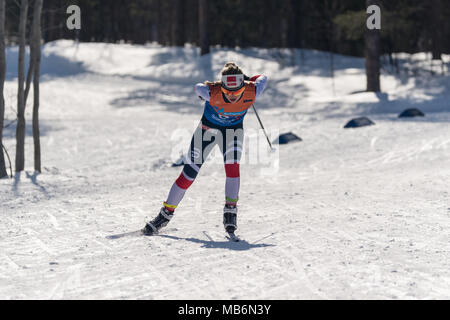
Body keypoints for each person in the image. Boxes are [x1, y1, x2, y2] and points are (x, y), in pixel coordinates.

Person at [143, 62, 268, 236]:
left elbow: (263, 78)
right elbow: (198, 87)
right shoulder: (212, 92)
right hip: (206, 132)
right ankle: (165, 214)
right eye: (227, 92)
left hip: (231, 133)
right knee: (189, 173)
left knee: (232, 169)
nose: (232, 97)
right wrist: (216, 86)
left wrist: (250, 81)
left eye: (237, 92)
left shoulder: (252, 90)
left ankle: (230, 212)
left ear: (244, 87)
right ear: (221, 87)